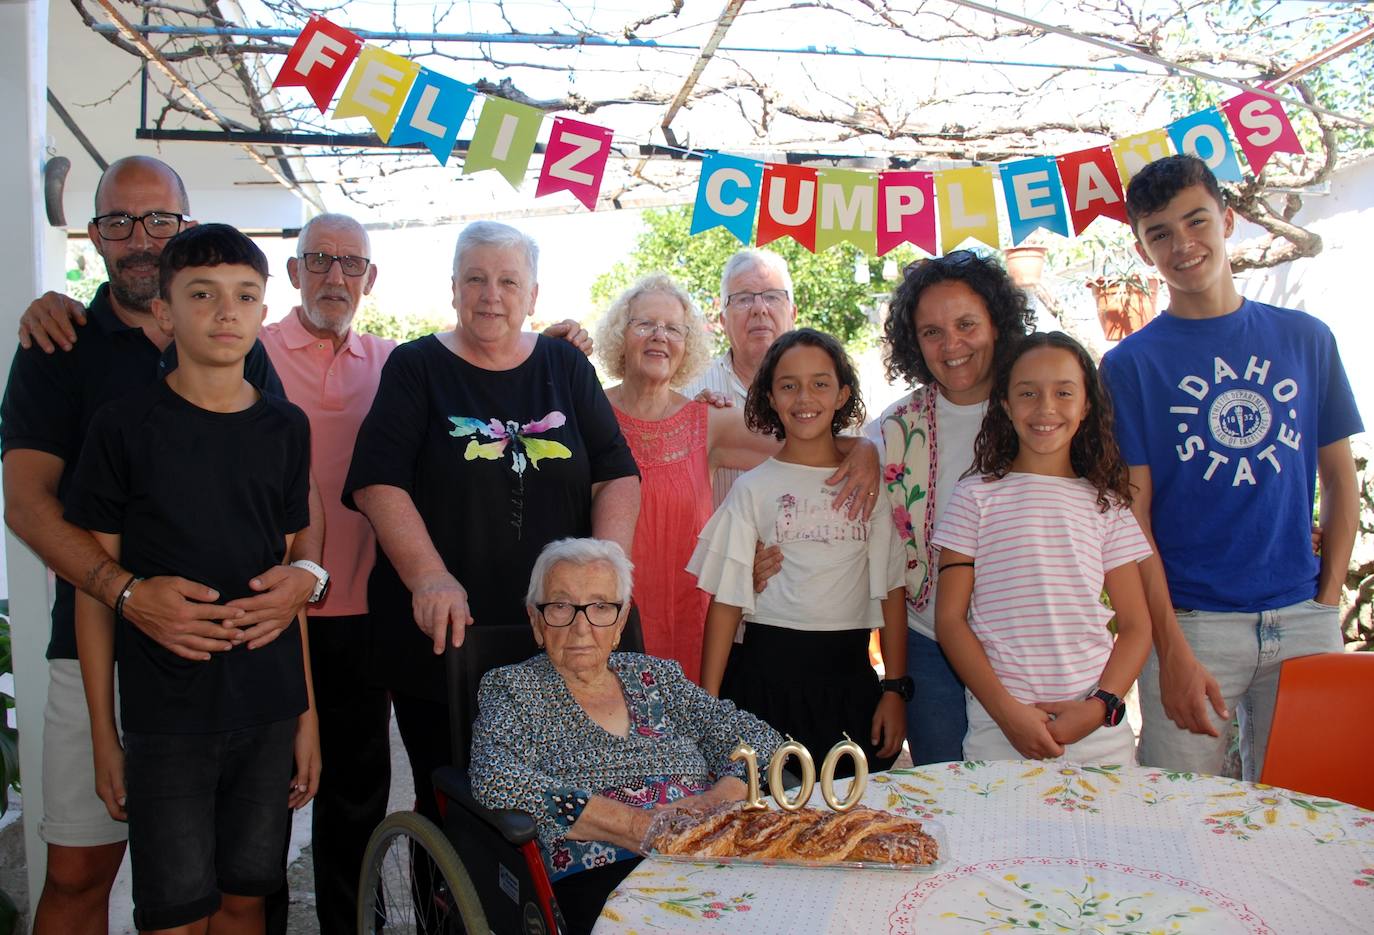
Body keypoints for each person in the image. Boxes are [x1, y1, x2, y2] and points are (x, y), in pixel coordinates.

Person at [0, 156, 313, 935]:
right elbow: (27, 504)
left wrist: (306, 571)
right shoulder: (58, 341)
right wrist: (127, 592)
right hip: (101, 643)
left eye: (158, 220)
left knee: (232, 882)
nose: (139, 238)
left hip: (239, 671)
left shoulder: (242, 353)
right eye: (118, 221)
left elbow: (287, 502)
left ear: (182, 223)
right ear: (95, 234)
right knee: (80, 869)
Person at [343, 220, 641, 834]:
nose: (491, 294)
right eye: (475, 278)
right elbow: (379, 482)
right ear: (453, 289)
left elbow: (616, 476)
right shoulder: (415, 366)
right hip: (446, 635)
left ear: (533, 296)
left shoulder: (565, 366)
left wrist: (606, 575)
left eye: (509, 281)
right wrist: (429, 577)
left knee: (572, 802)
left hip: (561, 635)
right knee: (454, 807)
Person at [1099, 154, 1362, 780]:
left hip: (1303, 618)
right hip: (1194, 626)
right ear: (1142, 250)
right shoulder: (1130, 365)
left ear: (1229, 219)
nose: (1182, 245)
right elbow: (1133, 518)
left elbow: (1340, 478)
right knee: (1176, 818)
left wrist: (1327, 600)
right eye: (1159, 233)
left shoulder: (1307, 338)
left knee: (1307, 808)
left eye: (1196, 221)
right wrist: (1170, 645)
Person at [469, 537, 783, 934]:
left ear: (621, 621)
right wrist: (639, 827)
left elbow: (758, 738)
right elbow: (494, 774)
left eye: (601, 607)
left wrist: (711, 803)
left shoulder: (656, 677)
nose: (581, 626)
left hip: (712, 848)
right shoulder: (515, 689)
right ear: (536, 620)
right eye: (561, 606)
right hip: (605, 877)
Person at [689, 328, 907, 774]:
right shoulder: (752, 489)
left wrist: (895, 690)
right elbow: (726, 603)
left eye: (820, 383)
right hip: (762, 685)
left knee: (849, 824)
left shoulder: (869, 486)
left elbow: (891, 593)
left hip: (850, 685)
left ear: (843, 393)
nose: (804, 397)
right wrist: (708, 714)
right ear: (769, 396)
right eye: (788, 385)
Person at [933, 332, 1153, 764]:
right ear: (1005, 405)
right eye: (1028, 393)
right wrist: (1006, 712)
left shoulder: (1107, 504)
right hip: (998, 730)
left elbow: (1136, 626)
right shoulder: (974, 497)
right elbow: (950, 621)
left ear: (1086, 405)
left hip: (1098, 736)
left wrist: (1098, 707)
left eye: (1064, 392)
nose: (1046, 408)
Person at [865, 251, 1037, 765]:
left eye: (966, 324)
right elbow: (882, 563)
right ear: (912, 343)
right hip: (928, 647)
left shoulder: (1038, 410)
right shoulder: (891, 430)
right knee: (948, 799)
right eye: (931, 332)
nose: (952, 345)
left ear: (997, 323)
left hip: (1026, 642)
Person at [682, 249, 798, 507]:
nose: (759, 309)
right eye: (744, 299)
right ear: (723, 320)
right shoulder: (688, 395)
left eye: (772, 296)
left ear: (793, 313)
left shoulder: (829, 391)